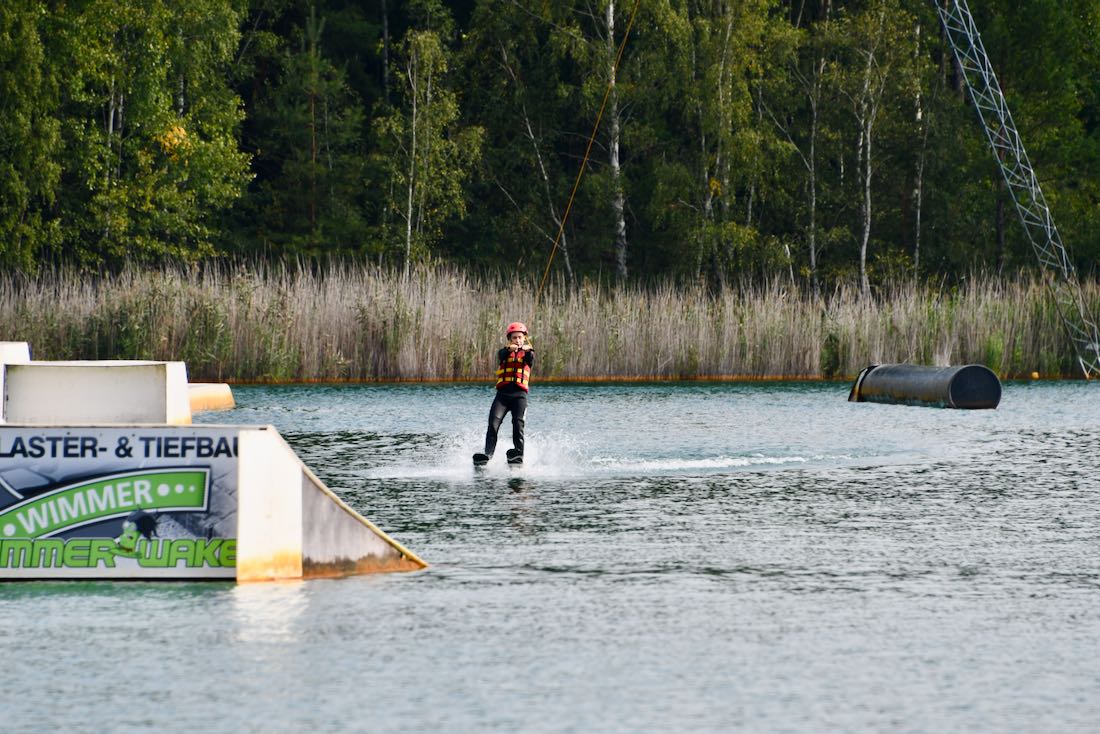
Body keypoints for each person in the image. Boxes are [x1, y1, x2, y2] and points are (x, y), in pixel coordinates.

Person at [474, 322, 534, 465]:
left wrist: (527, 350)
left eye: (520, 337)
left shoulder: (529, 354)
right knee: (493, 424)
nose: (517, 340)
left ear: (524, 338)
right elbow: (502, 355)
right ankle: (487, 455)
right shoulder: (503, 353)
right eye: (514, 338)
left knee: (518, 425)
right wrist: (508, 349)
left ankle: (518, 455)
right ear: (509, 339)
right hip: (502, 396)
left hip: (519, 396)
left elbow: (530, 359)